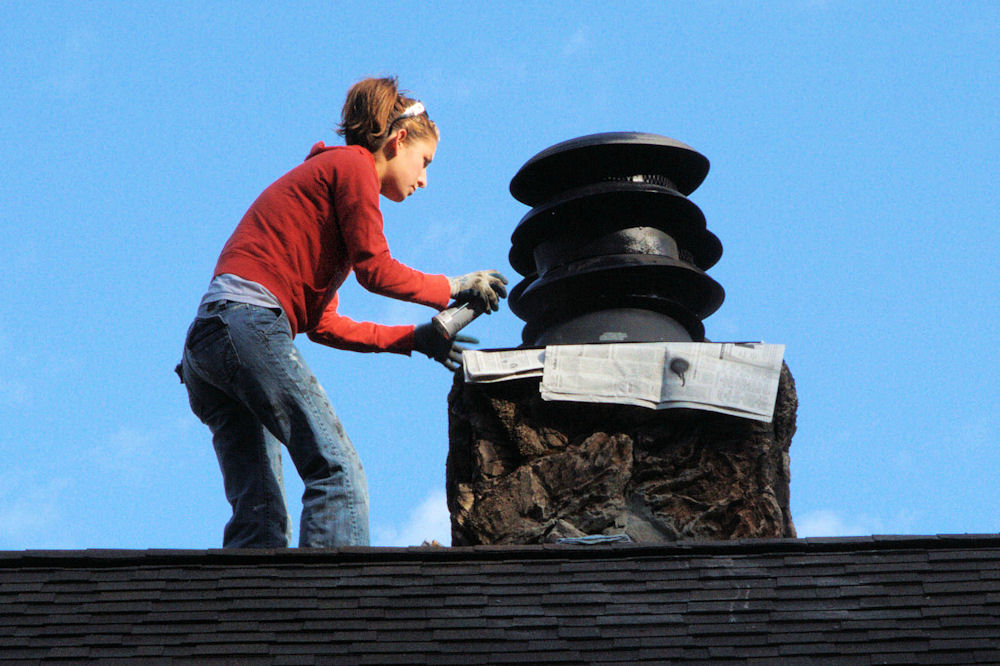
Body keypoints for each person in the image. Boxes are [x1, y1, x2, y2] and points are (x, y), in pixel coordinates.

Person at [178, 76, 507, 549]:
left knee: (260, 520)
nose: (424, 179)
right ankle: (327, 613)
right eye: (425, 161)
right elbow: (377, 270)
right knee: (338, 474)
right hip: (245, 325)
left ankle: (251, 620)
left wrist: (414, 339)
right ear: (398, 141)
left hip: (208, 348)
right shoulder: (353, 167)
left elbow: (324, 325)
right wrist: (453, 286)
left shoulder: (322, 197)